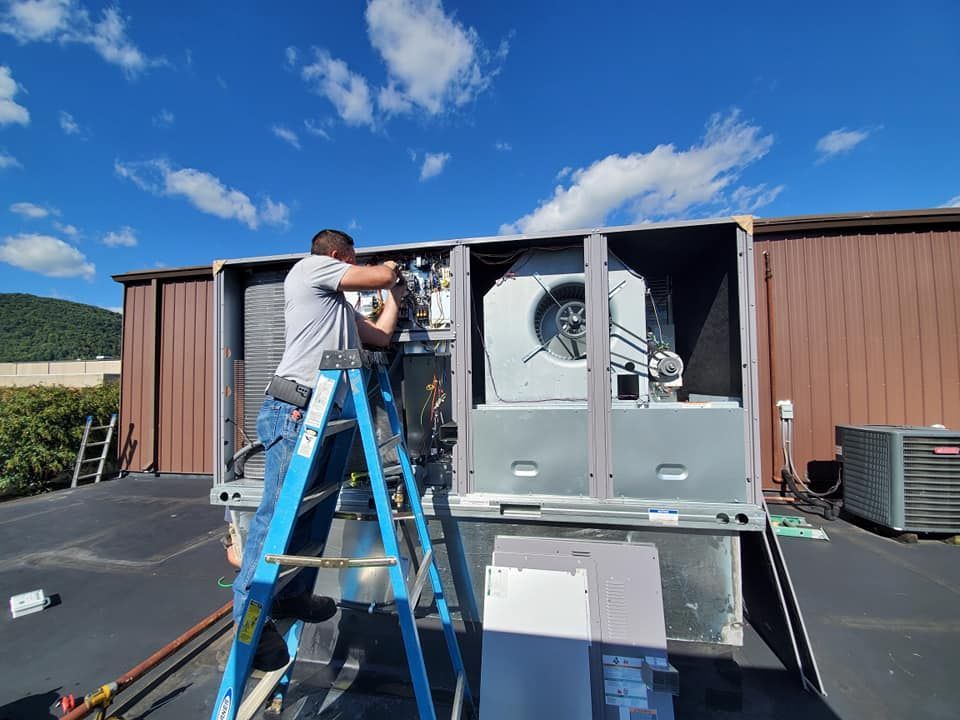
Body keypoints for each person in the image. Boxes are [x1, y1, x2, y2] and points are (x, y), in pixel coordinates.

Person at [234, 228, 406, 670]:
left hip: (328, 415)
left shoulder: (338, 311)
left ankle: (292, 598)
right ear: (336, 255)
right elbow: (379, 274)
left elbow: (381, 338)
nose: (353, 265)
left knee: (315, 515)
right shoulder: (308, 270)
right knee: (277, 514)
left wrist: (395, 299)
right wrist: (390, 274)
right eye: (351, 259)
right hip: (296, 408)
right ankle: (247, 621)